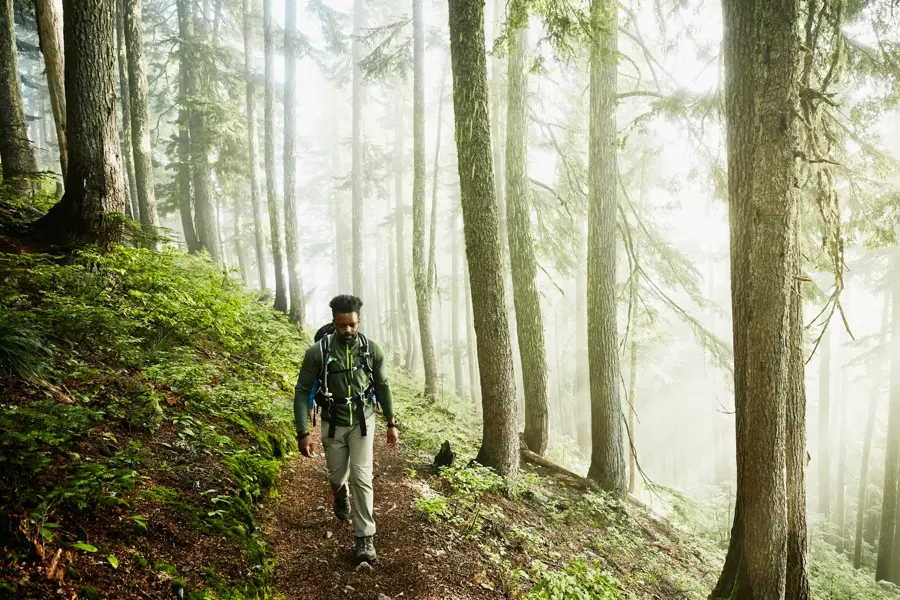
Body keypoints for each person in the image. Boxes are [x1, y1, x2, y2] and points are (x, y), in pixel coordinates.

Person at [293, 294, 399, 563]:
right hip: (332, 423)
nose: (348, 330)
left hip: (363, 422)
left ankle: (365, 538)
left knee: (362, 478)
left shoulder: (372, 350)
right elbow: (302, 390)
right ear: (334, 323)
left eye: (352, 325)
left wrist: (391, 422)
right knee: (337, 477)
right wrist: (303, 432)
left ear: (358, 321)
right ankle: (341, 498)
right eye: (342, 326)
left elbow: (383, 386)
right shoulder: (318, 352)